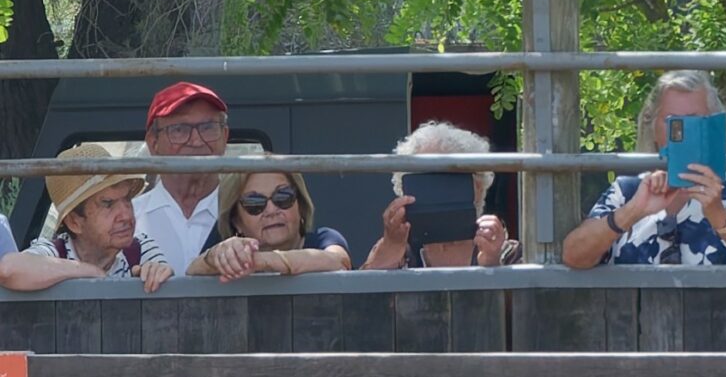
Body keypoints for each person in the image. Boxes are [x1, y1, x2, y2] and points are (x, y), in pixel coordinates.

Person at [562, 70, 726, 268]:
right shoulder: (628, 189)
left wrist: (719, 215)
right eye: (673, 122)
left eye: (693, 122)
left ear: (713, 127)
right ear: (652, 126)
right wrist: (633, 211)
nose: (682, 134)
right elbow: (574, 256)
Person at [0, 145, 172, 293]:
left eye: (127, 199)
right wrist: (89, 272)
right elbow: (9, 270)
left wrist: (158, 274)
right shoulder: (53, 251)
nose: (126, 215)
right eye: (108, 203)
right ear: (74, 222)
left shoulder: (142, 249)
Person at [364, 121, 517, 269]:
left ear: (477, 186)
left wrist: (492, 264)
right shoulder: (398, 250)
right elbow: (363, 293)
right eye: (426, 180)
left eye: (449, 179)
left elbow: (525, 294)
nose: (438, 192)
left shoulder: (506, 252)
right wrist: (391, 247)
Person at [131, 81, 230, 269]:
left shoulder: (251, 213)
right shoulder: (128, 220)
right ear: (153, 143)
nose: (196, 141)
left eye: (208, 128)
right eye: (179, 130)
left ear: (225, 136)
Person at [188, 169, 353, 279]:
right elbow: (192, 273)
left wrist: (262, 261)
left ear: (300, 205)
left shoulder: (324, 238)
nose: (272, 210)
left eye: (283, 197)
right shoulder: (228, 245)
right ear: (236, 221)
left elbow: (339, 261)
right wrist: (216, 257)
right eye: (254, 203)